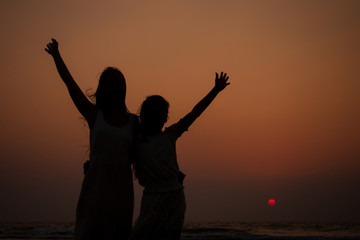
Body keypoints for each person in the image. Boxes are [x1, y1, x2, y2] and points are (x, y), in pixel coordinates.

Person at [45, 39, 138, 240]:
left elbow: (148, 150)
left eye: (118, 84)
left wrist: (169, 172)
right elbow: (70, 84)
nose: (114, 88)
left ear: (124, 89)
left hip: (122, 196)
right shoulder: (95, 115)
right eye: (109, 84)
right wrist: (56, 55)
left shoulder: (134, 122)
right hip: (94, 193)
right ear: (102, 88)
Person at [130, 72, 230, 240]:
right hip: (152, 197)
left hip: (175, 196)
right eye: (153, 114)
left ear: (165, 118)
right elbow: (115, 153)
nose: (158, 118)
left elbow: (195, 113)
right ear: (144, 116)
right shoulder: (136, 141)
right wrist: (94, 163)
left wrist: (215, 90)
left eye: (162, 114)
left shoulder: (169, 135)